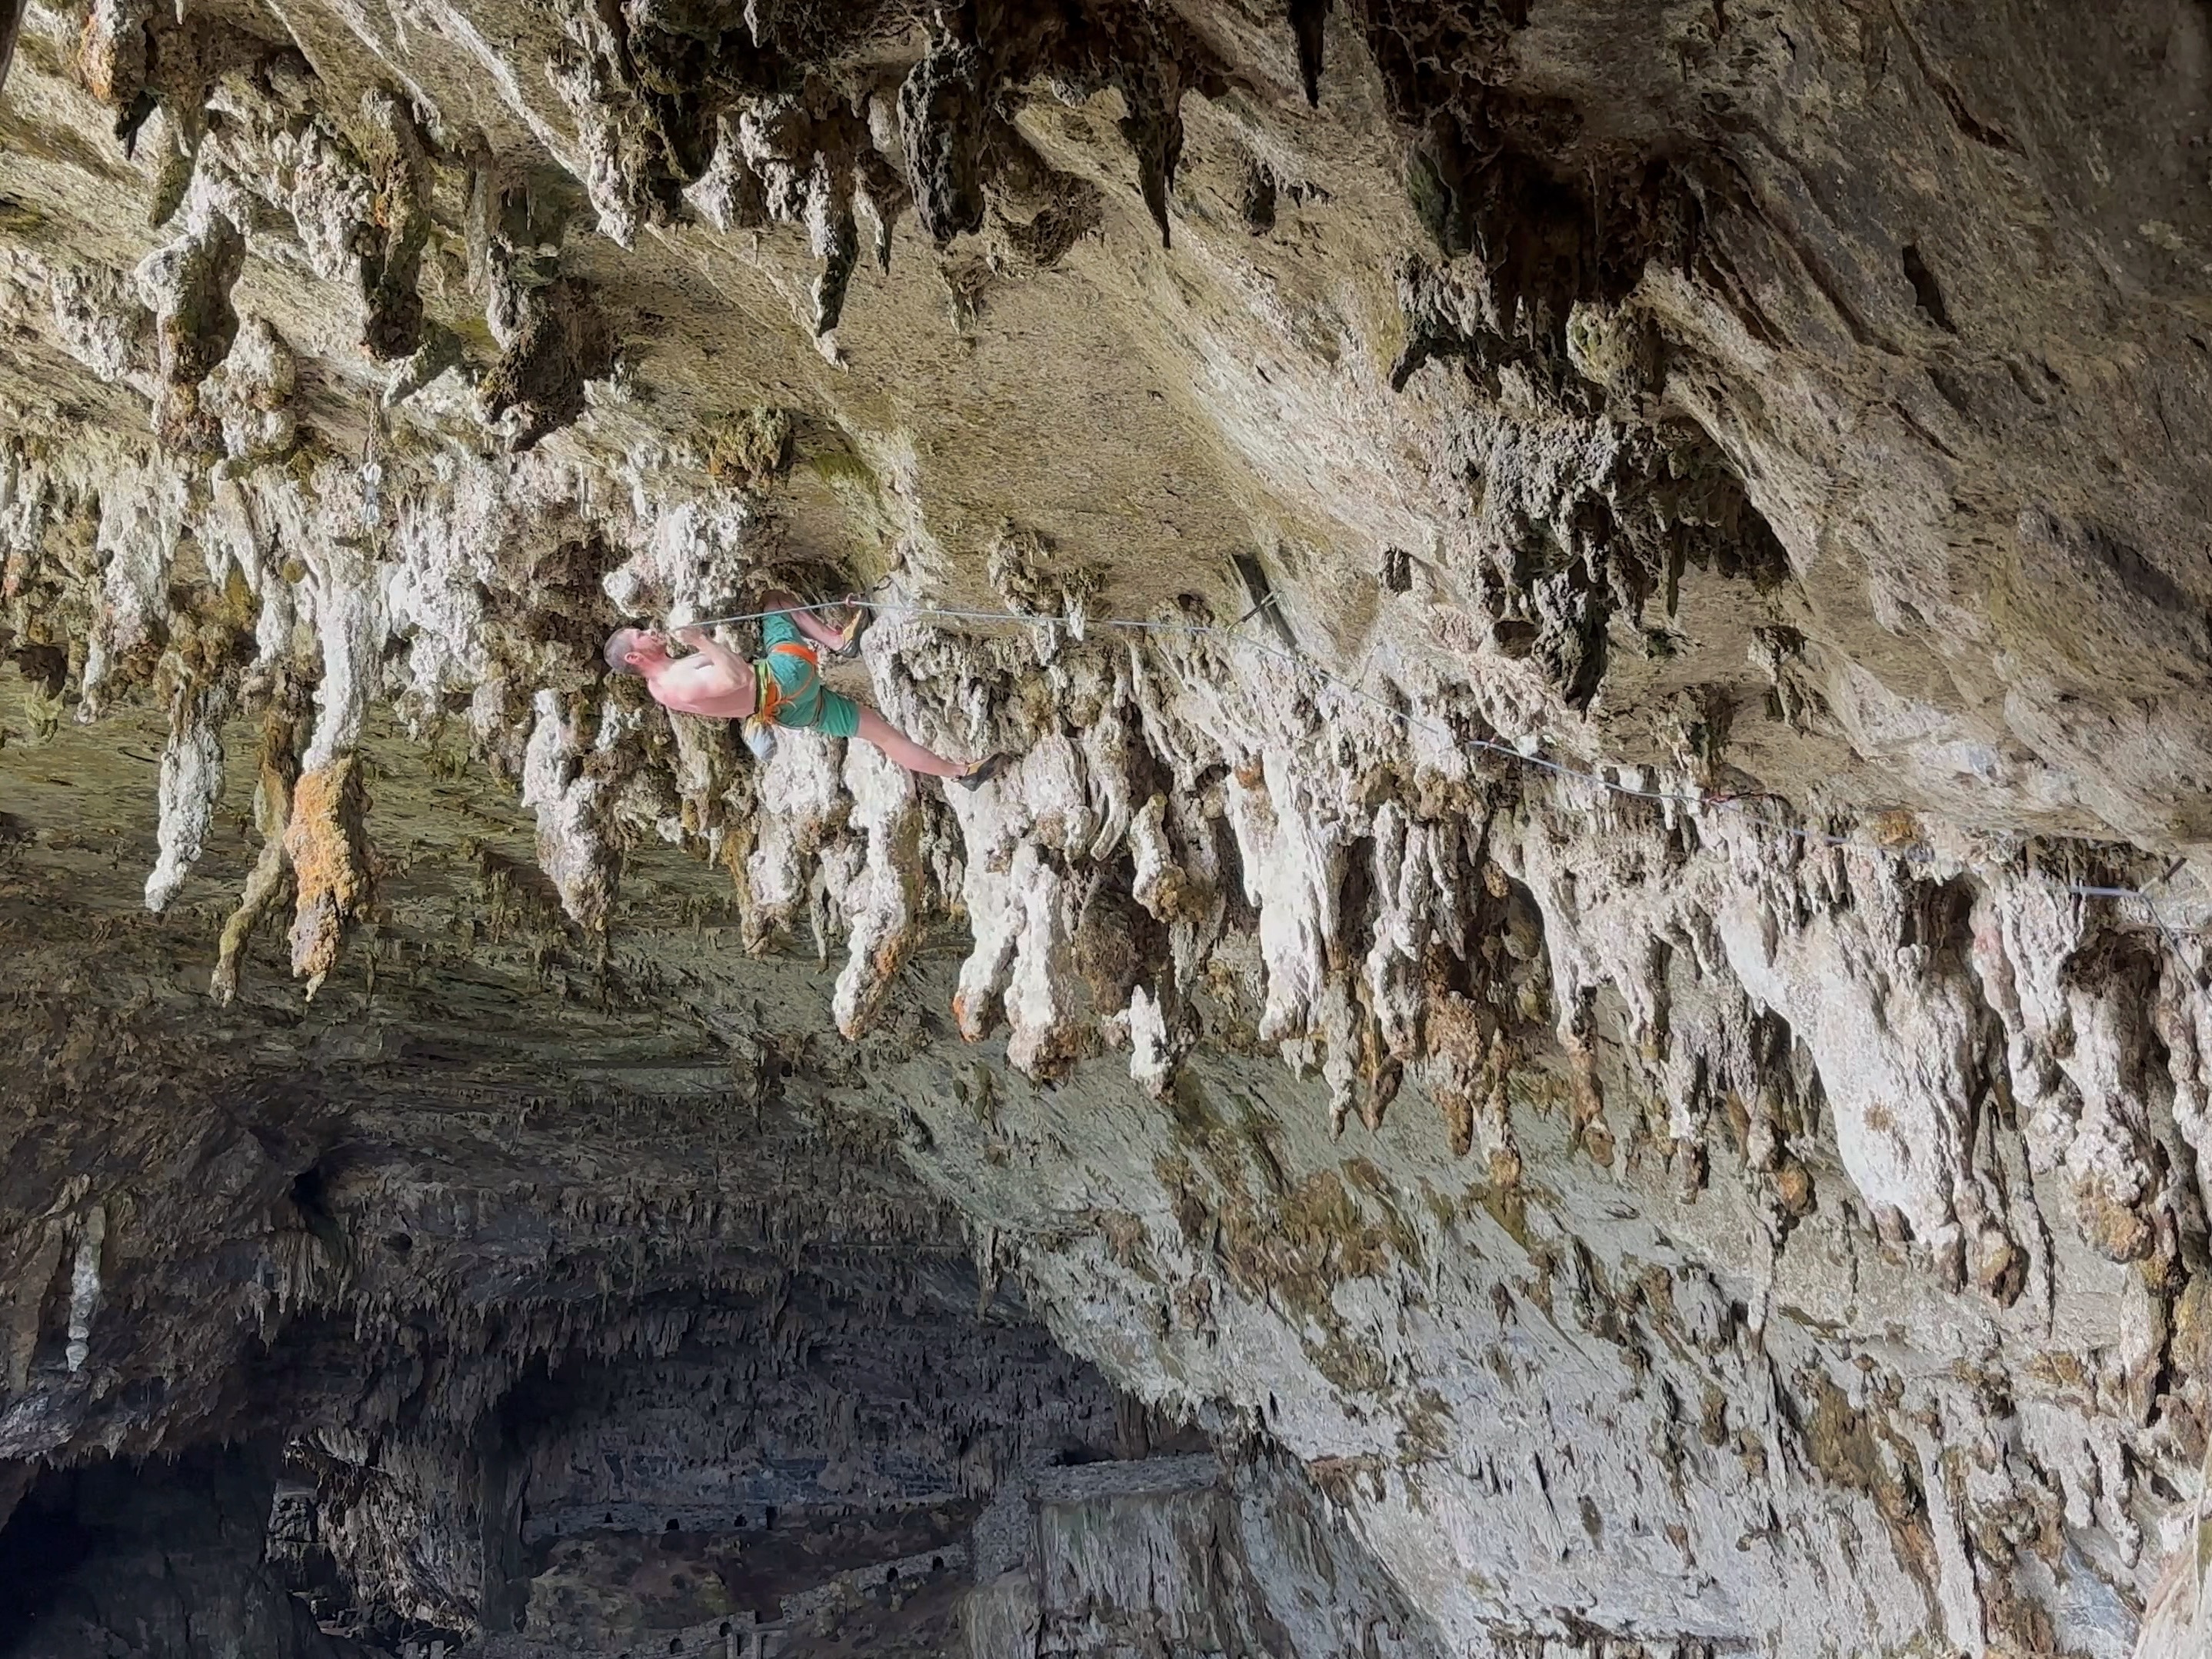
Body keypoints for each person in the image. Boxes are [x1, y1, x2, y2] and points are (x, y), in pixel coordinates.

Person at [605, 591, 1008, 788]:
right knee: (774, 601)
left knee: (883, 735)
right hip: (782, 677)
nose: (647, 631)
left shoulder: (662, 687)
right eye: (639, 635)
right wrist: (702, 642)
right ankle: (838, 640)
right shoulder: (676, 679)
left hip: (791, 712)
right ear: (635, 659)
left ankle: (961, 774)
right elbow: (737, 680)